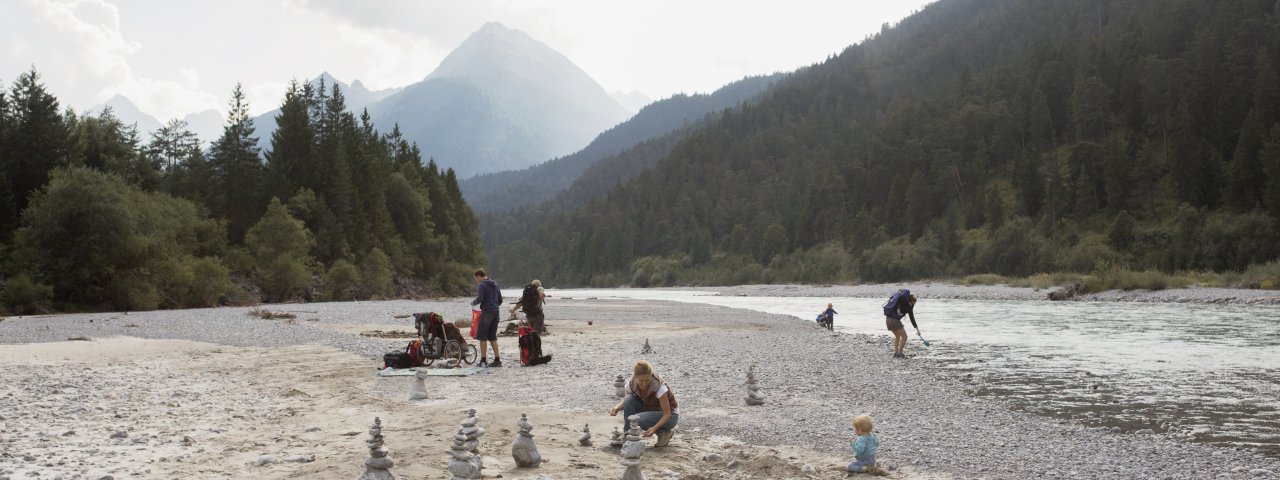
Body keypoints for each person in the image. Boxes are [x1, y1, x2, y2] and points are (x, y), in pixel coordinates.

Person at [609, 360, 679, 447]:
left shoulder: (659, 387)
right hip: (650, 410)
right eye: (641, 381)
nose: (644, 384)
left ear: (651, 376)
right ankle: (628, 434)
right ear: (635, 377)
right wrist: (617, 407)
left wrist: (654, 428)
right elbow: (627, 402)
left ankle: (663, 432)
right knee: (629, 399)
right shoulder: (631, 384)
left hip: (670, 417)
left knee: (637, 419)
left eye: (647, 380)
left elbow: (667, 414)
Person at [470, 268, 503, 367]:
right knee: (492, 336)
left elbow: (480, 298)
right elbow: (500, 300)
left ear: (479, 276)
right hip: (496, 312)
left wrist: (474, 302)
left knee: (482, 337)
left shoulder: (481, 285)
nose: (476, 281)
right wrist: (494, 305)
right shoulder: (495, 284)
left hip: (487, 312)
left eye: (476, 278)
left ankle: (483, 361)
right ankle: (497, 360)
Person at [883, 289, 918, 358]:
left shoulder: (900, 303)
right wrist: (917, 329)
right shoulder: (908, 306)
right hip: (894, 321)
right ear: (912, 301)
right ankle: (900, 353)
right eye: (914, 302)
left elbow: (911, 318)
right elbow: (912, 318)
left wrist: (917, 329)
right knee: (905, 337)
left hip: (888, 320)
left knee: (897, 337)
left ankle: (896, 353)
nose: (914, 304)